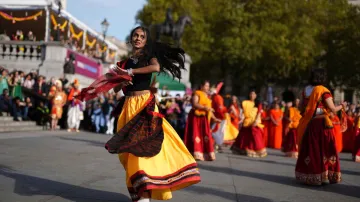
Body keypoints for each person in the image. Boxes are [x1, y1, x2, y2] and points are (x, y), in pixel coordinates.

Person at [103, 26, 200, 202]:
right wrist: (122, 79)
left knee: (143, 147)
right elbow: (117, 87)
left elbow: (155, 67)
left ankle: (145, 193)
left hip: (144, 106)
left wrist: (132, 72)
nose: (138, 38)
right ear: (131, 38)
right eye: (135, 35)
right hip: (128, 106)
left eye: (142, 36)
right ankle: (140, 191)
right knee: (129, 152)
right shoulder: (125, 63)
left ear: (146, 41)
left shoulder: (148, 58)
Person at [296, 68, 347, 185]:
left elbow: (301, 108)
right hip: (321, 124)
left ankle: (312, 175)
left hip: (308, 124)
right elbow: (333, 109)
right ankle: (325, 175)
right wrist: (342, 106)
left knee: (311, 150)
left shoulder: (305, 90)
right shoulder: (323, 90)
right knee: (325, 150)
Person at [184, 81, 220, 160]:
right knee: (196, 134)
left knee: (205, 136)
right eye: (206, 86)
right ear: (201, 86)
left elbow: (209, 110)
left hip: (204, 118)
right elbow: (195, 103)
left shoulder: (207, 96)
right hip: (196, 117)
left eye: (208, 86)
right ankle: (195, 153)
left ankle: (205, 154)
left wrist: (214, 118)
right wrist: (205, 108)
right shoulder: (197, 93)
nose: (207, 88)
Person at [231, 89, 267, 158]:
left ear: (256, 95)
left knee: (256, 136)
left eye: (253, 94)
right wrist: (241, 118)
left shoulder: (258, 104)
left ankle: (257, 151)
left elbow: (259, 113)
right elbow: (243, 113)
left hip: (255, 122)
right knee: (244, 137)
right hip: (247, 121)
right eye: (251, 94)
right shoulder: (245, 103)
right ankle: (245, 150)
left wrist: (256, 121)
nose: (252, 95)